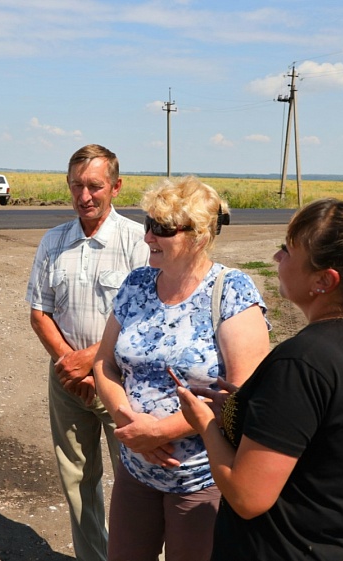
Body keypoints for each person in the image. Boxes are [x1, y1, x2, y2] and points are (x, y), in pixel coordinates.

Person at [178, 197, 343, 560]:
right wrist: (247, 407)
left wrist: (205, 426)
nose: (277, 259)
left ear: (324, 280)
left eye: (287, 250)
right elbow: (322, 435)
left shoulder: (302, 361)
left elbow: (248, 497)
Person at [92, 177, 271, 561]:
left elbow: (239, 393)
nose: (147, 238)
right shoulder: (137, 283)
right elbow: (104, 363)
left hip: (201, 478)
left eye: (161, 229)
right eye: (147, 225)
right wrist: (130, 424)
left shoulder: (232, 290)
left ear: (200, 235)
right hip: (136, 470)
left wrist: (157, 431)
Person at [26, 144, 149, 561]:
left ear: (116, 186)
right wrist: (70, 365)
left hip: (123, 382)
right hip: (67, 381)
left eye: (95, 186)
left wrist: (92, 363)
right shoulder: (54, 241)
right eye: (76, 185)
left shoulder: (138, 242)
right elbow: (39, 311)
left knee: (136, 483)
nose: (84, 196)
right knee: (78, 484)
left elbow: (146, 319)